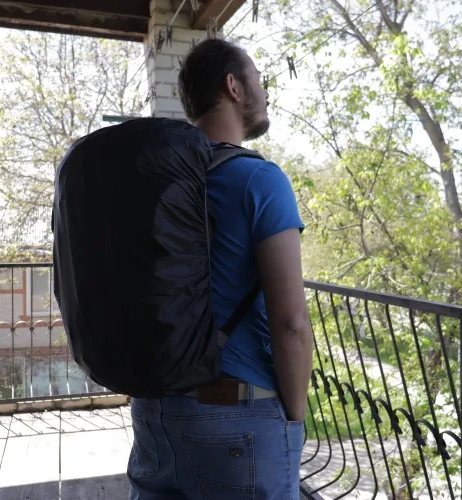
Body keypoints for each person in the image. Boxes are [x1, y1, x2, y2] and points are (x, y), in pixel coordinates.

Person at [127, 38, 313, 500]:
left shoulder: (155, 184)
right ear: (233, 86)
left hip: (155, 410)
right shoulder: (260, 179)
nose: (264, 92)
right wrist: (293, 419)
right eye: (258, 80)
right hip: (237, 416)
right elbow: (291, 322)